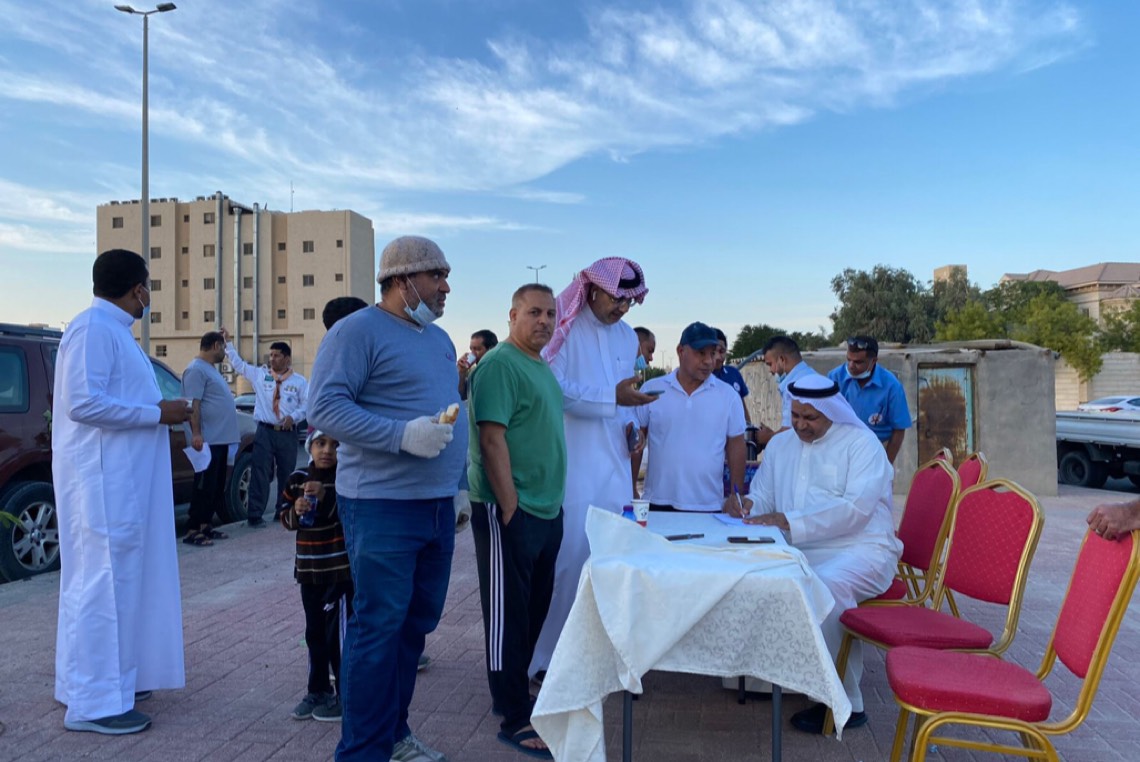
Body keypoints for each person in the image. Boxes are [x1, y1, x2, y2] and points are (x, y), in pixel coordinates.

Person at [308, 235, 466, 762]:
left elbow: (449, 409)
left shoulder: (439, 339)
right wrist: (401, 436)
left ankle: (393, 736)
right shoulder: (356, 331)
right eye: (436, 276)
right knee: (378, 628)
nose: (445, 287)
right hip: (381, 505)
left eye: (445, 277)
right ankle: (362, 752)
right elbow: (325, 408)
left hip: (436, 506)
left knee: (414, 626)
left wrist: (459, 487)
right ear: (402, 281)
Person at [53, 249, 190, 734]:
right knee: (102, 587)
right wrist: (157, 413)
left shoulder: (112, 331)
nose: (147, 296)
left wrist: (163, 411)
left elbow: (116, 398)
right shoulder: (92, 329)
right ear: (138, 289)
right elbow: (83, 404)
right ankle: (94, 704)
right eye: (147, 287)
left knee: (116, 584)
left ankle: (106, 682)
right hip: (102, 487)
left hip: (122, 485)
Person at [731, 374, 903, 734]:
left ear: (832, 412)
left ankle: (843, 701)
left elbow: (856, 510)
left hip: (861, 549)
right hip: (796, 545)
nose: (800, 425)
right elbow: (763, 496)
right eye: (795, 416)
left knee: (824, 586)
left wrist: (788, 520)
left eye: (811, 418)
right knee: (749, 573)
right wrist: (746, 504)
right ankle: (769, 679)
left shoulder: (862, 445)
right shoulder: (780, 446)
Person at [530, 257, 655, 679]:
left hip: (614, 466)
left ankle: (601, 657)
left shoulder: (626, 336)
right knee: (567, 565)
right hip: (572, 466)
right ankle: (547, 661)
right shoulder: (564, 329)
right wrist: (611, 398)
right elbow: (555, 390)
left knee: (612, 561)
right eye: (617, 299)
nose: (623, 308)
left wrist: (631, 427)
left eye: (629, 301)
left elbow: (626, 394)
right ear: (594, 290)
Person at [467, 284, 565, 760]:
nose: (544, 321)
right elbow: (491, 439)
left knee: (532, 609)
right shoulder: (500, 364)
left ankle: (514, 690)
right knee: (508, 615)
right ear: (512, 315)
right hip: (512, 508)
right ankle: (513, 716)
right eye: (534, 312)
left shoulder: (539, 365)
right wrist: (509, 506)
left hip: (546, 509)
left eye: (550, 313)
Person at [631, 322, 746, 511]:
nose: (708, 361)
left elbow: (736, 446)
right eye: (701, 353)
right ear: (680, 351)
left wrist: (736, 495)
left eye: (712, 353)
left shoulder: (728, 396)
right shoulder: (651, 390)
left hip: (708, 506)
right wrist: (631, 488)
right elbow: (636, 443)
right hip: (658, 503)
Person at [278, 430, 352, 723]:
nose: (327, 451)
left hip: (338, 572)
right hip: (309, 571)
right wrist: (295, 511)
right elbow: (283, 515)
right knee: (314, 633)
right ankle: (318, 690)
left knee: (339, 637)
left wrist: (325, 496)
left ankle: (346, 696)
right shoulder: (297, 479)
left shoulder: (345, 477)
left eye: (335, 444)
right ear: (310, 446)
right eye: (321, 443)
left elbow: (346, 513)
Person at [221, 330, 308, 526]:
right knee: (259, 472)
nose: (272, 359)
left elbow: (306, 405)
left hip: (287, 434)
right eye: (271, 355)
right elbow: (239, 365)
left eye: (277, 355)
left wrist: (293, 417)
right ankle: (255, 515)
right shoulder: (261, 375)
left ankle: (283, 511)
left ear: (287, 359)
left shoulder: (299, 382)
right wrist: (229, 344)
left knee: (286, 473)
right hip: (264, 431)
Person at [181, 331, 240, 547]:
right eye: (223, 347)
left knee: (215, 486)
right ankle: (193, 529)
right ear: (216, 345)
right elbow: (193, 404)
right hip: (207, 441)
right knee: (203, 486)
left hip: (220, 440)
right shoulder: (196, 370)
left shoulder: (209, 370)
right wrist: (196, 433)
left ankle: (206, 525)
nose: (224, 352)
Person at [828, 336, 911, 464]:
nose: (851, 366)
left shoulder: (892, 386)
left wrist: (886, 465)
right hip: (840, 449)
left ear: (873, 361)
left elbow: (899, 430)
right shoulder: (834, 378)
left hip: (877, 450)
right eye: (848, 360)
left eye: (858, 362)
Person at [753, 335, 821, 448]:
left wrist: (767, 437)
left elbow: (790, 433)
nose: (770, 370)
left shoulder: (795, 387)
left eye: (770, 364)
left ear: (782, 360)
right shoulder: (812, 376)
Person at [713, 327, 753, 426]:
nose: (718, 357)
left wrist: (748, 426)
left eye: (721, 351)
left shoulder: (733, 373)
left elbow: (742, 406)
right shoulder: (700, 379)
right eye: (713, 352)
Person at [458, 329, 499, 400]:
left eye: (477, 349)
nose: (473, 353)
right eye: (471, 349)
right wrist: (462, 372)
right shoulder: (474, 373)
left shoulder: (499, 372)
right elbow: (460, 395)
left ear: (491, 350)